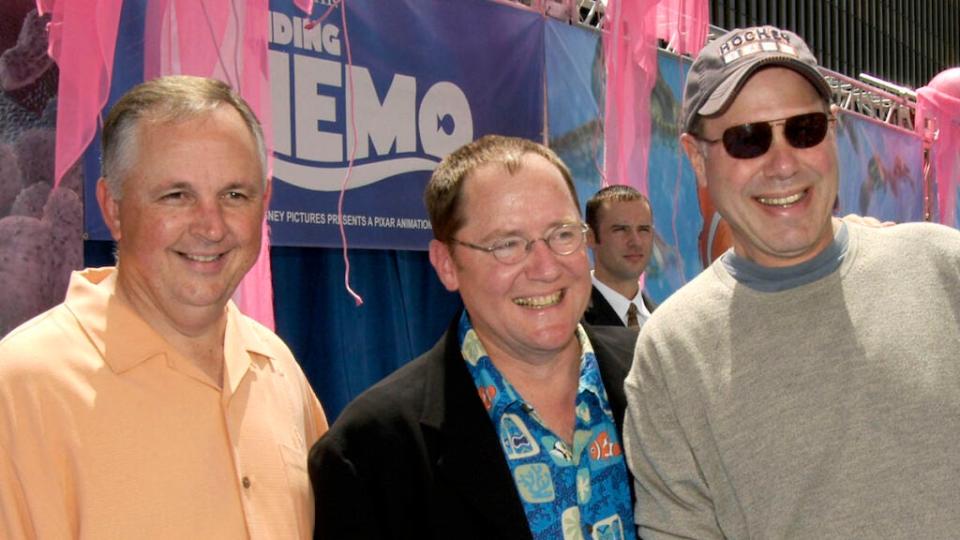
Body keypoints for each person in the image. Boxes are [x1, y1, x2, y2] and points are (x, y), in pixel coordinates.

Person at [622, 25, 960, 538]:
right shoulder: (672, 350)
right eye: (747, 140)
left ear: (832, 131)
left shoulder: (941, 267)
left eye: (803, 129)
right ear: (697, 158)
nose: (782, 163)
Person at [0, 76, 328, 539]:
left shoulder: (277, 369)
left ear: (265, 203)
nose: (211, 227)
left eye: (235, 195)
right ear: (113, 209)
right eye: (177, 195)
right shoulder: (23, 385)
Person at [309, 135, 638, 539]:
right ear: (447, 264)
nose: (545, 267)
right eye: (507, 244)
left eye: (562, 234)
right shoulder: (371, 451)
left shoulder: (656, 376)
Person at [583, 185, 657, 328]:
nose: (636, 242)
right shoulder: (573, 321)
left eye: (643, 229)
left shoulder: (667, 321)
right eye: (621, 229)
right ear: (590, 237)